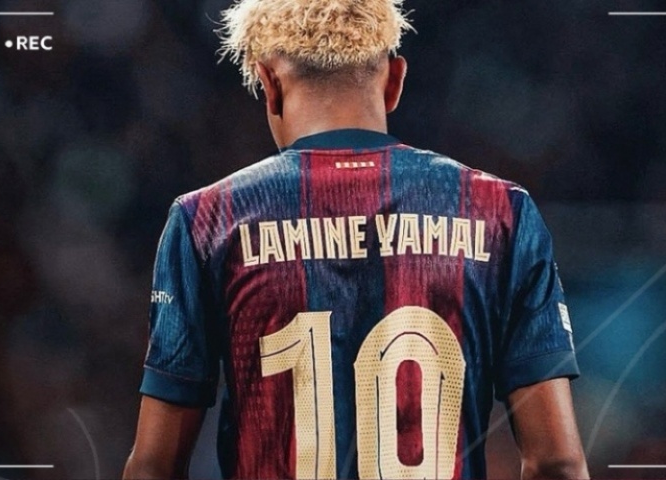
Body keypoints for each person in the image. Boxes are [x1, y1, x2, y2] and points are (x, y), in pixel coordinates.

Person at [123, 0, 589, 478]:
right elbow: (557, 463)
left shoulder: (208, 219)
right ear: (394, 81)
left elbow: (155, 468)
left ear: (269, 84)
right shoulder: (499, 212)